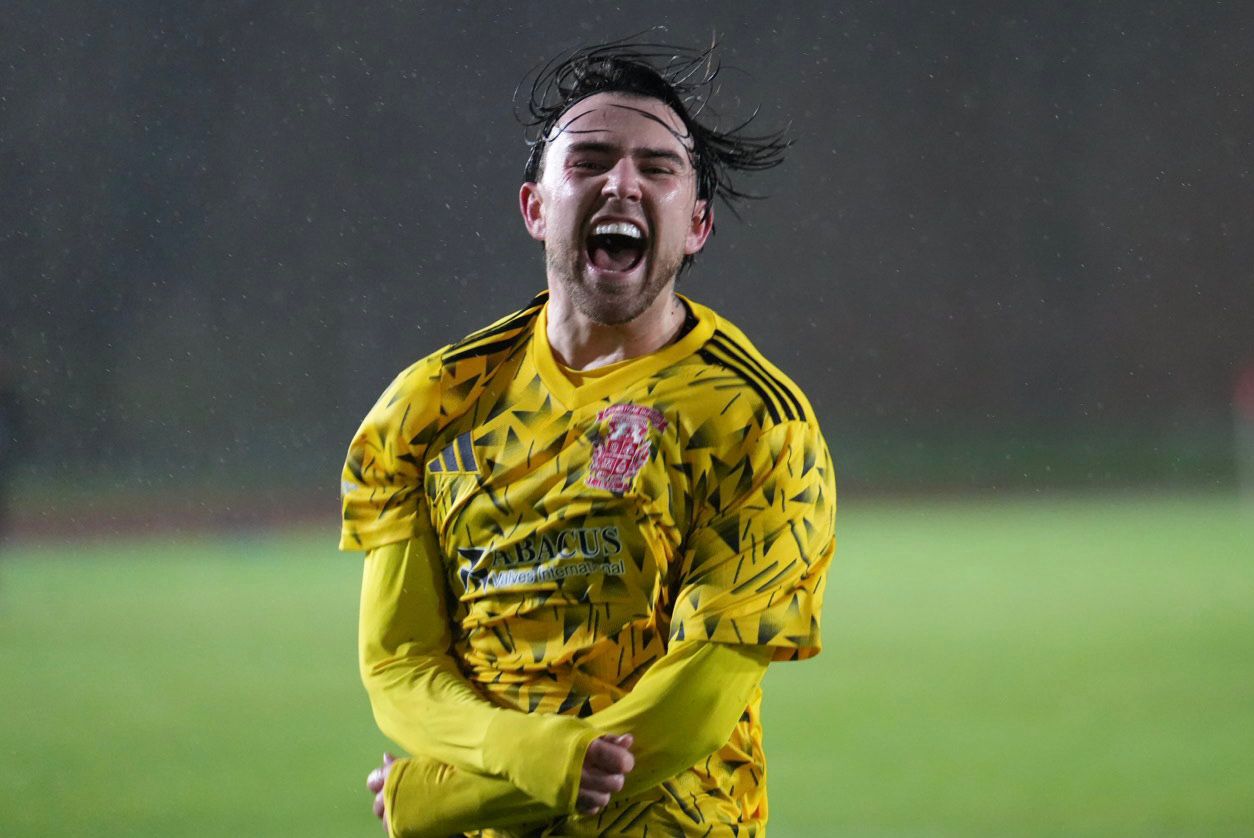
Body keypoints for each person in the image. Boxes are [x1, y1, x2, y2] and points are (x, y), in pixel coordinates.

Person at [341, 41, 836, 838]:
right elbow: (399, 664)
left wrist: (456, 798)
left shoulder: (756, 420)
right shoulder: (430, 404)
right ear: (536, 206)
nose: (622, 183)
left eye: (658, 167)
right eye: (590, 160)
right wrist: (532, 754)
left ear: (697, 224)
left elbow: (691, 710)